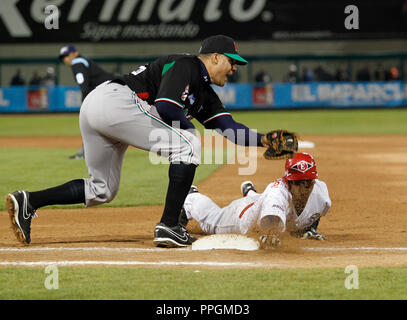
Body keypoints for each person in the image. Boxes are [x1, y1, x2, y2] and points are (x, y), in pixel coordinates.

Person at [6, 35, 280, 248]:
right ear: (216, 57)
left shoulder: (205, 93)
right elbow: (166, 106)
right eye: (232, 62)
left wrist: (265, 140)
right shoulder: (188, 65)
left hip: (100, 108)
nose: (234, 68)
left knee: (102, 190)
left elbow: (228, 128)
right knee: (188, 143)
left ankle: (29, 201)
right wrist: (188, 130)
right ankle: (170, 225)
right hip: (116, 100)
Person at [181, 153, 331, 245]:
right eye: (298, 183)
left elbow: (314, 213)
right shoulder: (277, 194)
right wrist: (270, 236)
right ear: (289, 182)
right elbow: (269, 231)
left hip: (261, 201)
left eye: (308, 183)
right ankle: (192, 197)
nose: (304, 189)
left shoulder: (321, 192)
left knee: (262, 200)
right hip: (243, 215)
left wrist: (307, 229)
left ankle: (251, 193)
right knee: (211, 221)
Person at [59, 44, 116, 159]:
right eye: (63, 57)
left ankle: (85, 152)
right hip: (112, 90)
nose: (65, 59)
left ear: (75, 53)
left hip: (110, 92)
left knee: (89, 123)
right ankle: (94, 151)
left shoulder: (77, 63)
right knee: (100, 123)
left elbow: (84, 87)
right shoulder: (82, 62)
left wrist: (85, 104)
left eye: (67, 55)